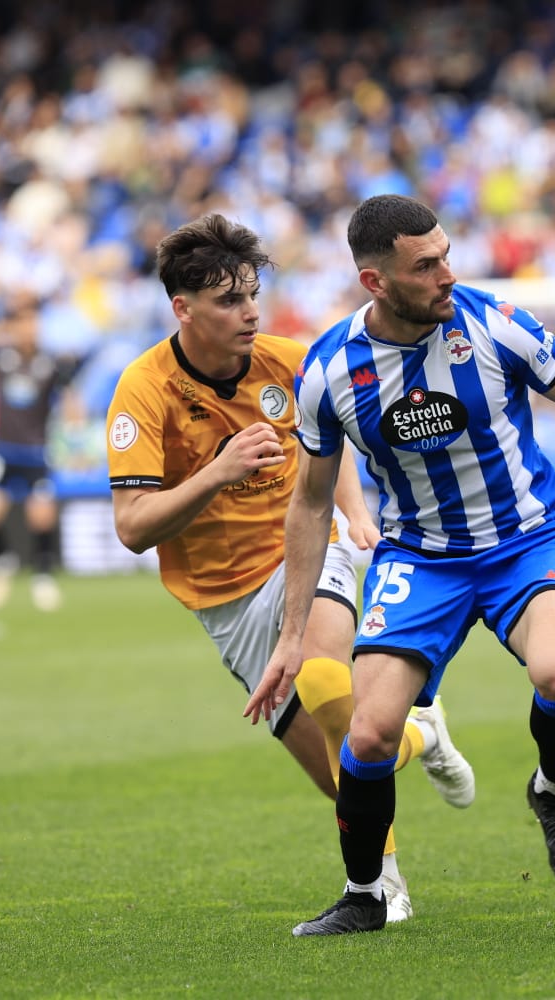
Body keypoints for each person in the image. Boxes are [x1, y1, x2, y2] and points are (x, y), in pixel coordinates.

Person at [246, 193, 555, 936]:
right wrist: (293, 635)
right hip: (421, 558)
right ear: (376, 283)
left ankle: (552, 791)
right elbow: (309, 502)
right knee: (369, 735)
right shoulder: (330, 370)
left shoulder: (492, 323)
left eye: (447, 254)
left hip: (527, 538)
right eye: (426, 266)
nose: (447, 274)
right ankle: (365, 897)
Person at [106, 213, 476, 928]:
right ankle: (423, 734)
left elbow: (326, 450)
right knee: (346, 770)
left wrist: (355, 514)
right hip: (225, 604)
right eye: (228, 301)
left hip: (305, 550)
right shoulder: (143, 389)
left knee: (321, 674)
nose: (249, 312)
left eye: (251, 294)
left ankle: (379, 890)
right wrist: (218, 472)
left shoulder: (294, 361)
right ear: (183, 309)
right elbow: (131, 529)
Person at [0, 293, 79, 612]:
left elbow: (72, 401)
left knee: (41, 515)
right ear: (12, 328)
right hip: (2, 452)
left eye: (32, 323)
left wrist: (74, 424)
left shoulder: (52, 363)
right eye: (21, 323)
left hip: (35, 453)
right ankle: (2, 560)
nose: (28, 329)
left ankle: (43, 575)